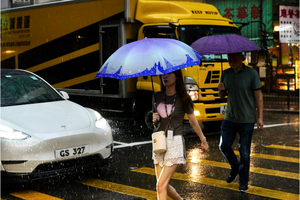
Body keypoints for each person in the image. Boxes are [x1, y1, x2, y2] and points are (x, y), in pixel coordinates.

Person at [152, 70, 209, 200]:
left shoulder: (184, 98)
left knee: (161, 185)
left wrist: (203, 140)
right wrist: (154, 119)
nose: (165, 76)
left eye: (169, 74)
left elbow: (193, 122)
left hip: (174, 142)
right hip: (159, 142)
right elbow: (156, 123)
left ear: (177, 77)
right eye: (163, 74)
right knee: (162, 185)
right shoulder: (157, 96)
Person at [218, 52, 263, 193]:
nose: (232, 60)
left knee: (244, 152)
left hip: (247, 119)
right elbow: (222, 95)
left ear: (242, 58)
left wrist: (260, 117)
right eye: (229, 58)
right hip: (230, 118)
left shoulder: (251, 73)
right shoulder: (225, 73)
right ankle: (235, 166)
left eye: (235, 58)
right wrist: (220, 91)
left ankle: (243, 182)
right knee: (224, 145)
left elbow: (258, 95)